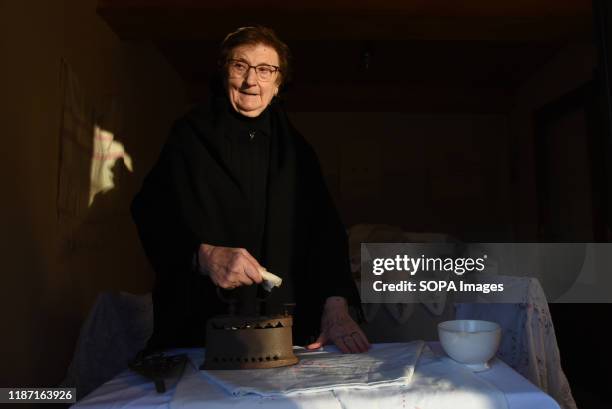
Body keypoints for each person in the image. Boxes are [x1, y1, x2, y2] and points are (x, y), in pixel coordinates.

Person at [131, 26, 370, 354]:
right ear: (224, 71)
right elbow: (149, 210)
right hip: (199, 326)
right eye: (239, 66)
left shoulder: (298, 152)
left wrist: (335, 308)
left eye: (265, 70)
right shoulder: (189, 137)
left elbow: (325, 234)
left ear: (278, 83)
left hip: (283, 332)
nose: (250, 81)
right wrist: (204, 255)